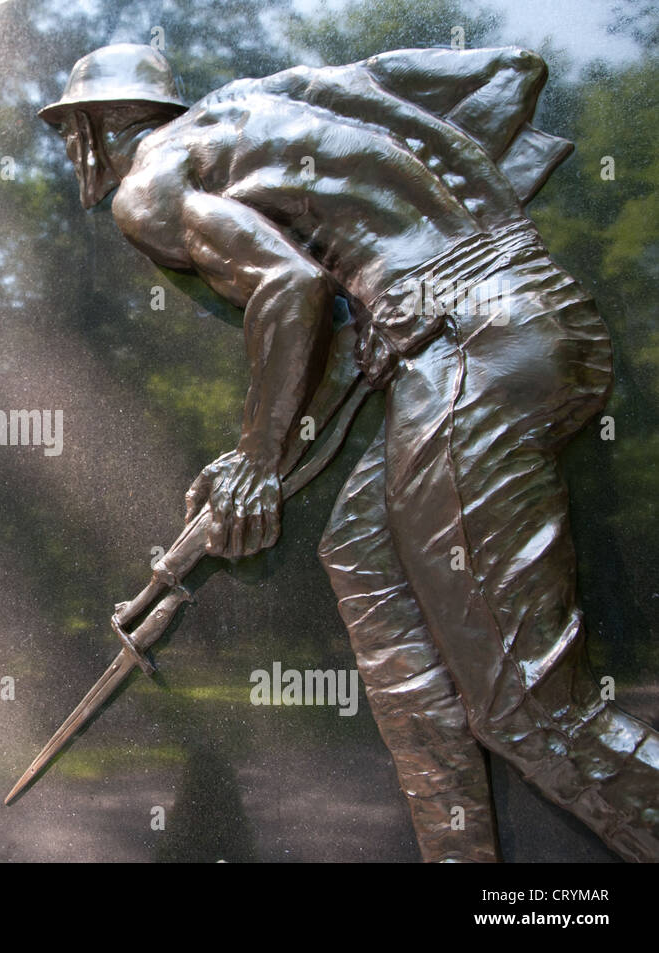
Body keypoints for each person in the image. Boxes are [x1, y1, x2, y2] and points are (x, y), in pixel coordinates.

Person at [39, 42, 659, 862]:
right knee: (362, 555)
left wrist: (255, 460)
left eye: (70, 132)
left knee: (531, 707)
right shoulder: (279, 94)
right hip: (523, 319)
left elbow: (288, 286)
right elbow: (514, 73)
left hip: (476, 350)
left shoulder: (150, 180)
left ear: (93, 128)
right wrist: (437, 260)